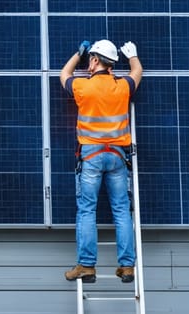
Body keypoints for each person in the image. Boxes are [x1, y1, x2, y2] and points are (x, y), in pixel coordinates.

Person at [60, 39, 142, 283]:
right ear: (112, 64)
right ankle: (127, 267)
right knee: (122, 210)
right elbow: (137, 72)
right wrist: (133, 57)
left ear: (95, 60)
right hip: (117, 156)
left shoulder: (82, 86)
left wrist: (77, 54)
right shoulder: (123, 86)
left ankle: (86, 266)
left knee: (87, 209)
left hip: (91, 157)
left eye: (90, 59)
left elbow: (64, 75)